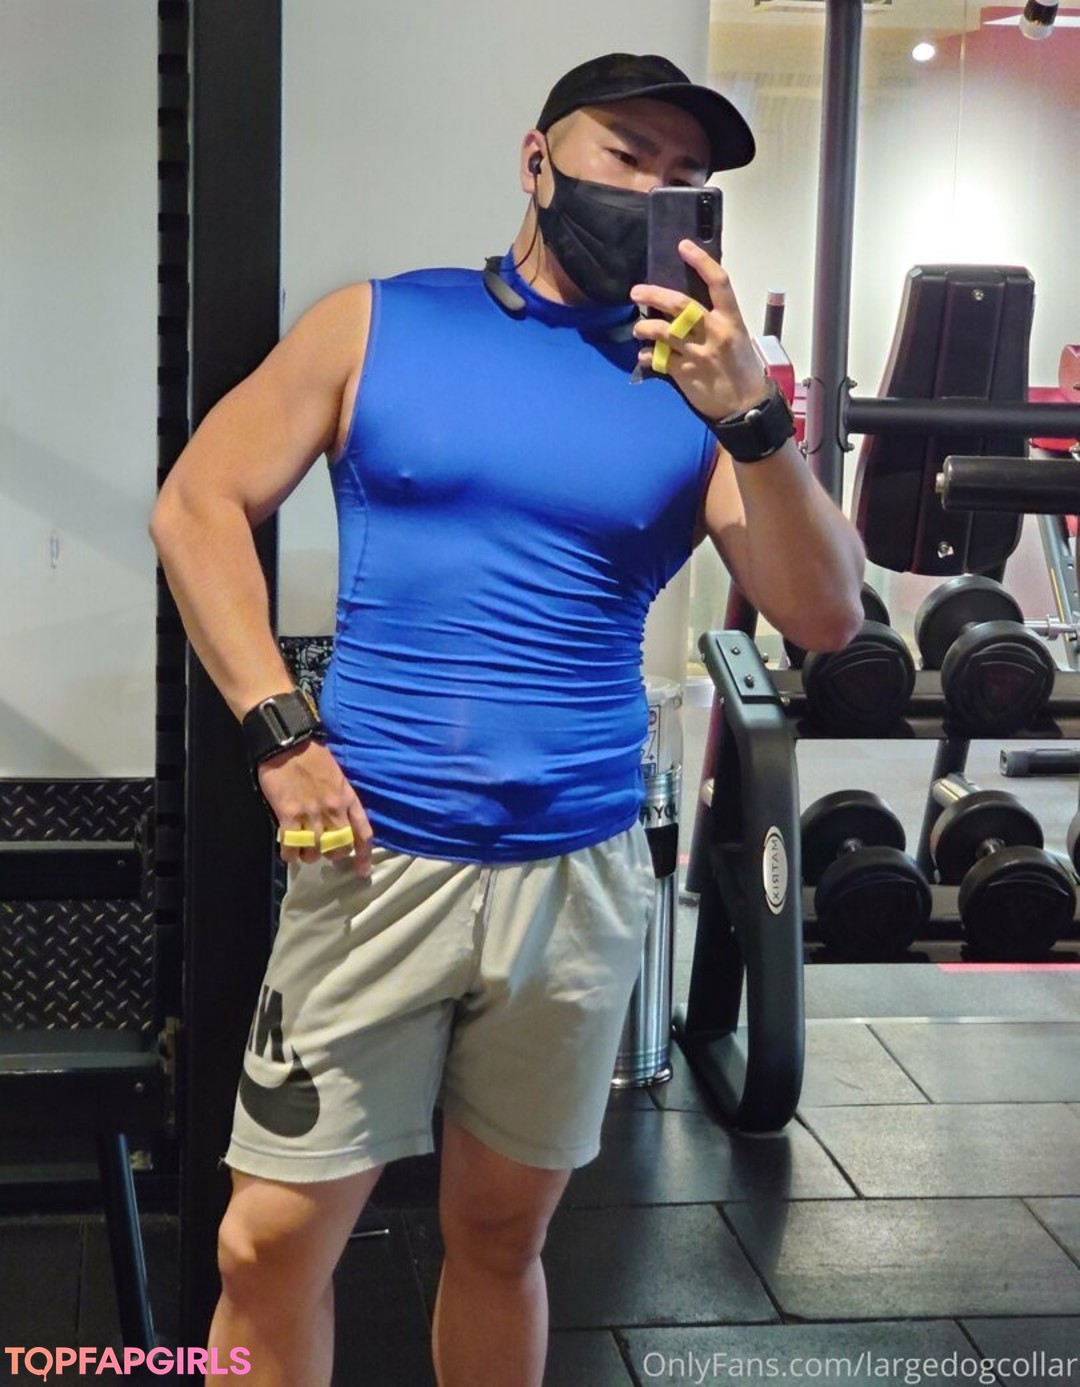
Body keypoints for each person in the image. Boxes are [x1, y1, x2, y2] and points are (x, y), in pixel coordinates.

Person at [151, 51, 865, 1387]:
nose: (651, 189)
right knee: (267, 1246)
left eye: (684, 175)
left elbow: (826, 613)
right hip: (374, 860)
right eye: (625, 155)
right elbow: (198, 504)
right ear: (539, 160)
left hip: (577, 877)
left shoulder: (696, 392)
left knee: (500, 1234)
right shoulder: (379, 322)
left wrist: (755, 418)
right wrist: (280, 733)